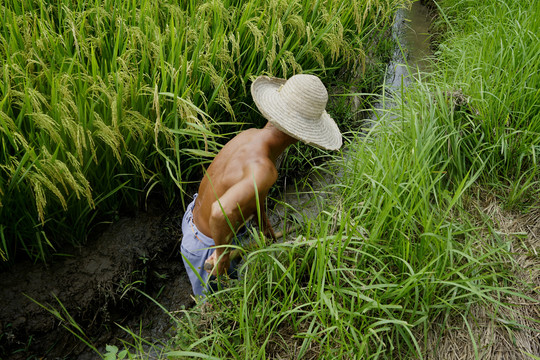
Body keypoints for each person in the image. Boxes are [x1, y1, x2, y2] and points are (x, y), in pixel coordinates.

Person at [181, 74, 343, 297]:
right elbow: (220, 213)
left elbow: (250, 192)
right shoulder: (265, 169)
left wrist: (263, 224)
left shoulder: (251, 136)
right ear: (300, 136)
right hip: (207, 245)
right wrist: (222, 254)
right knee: (217, 305)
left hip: (193, 220)